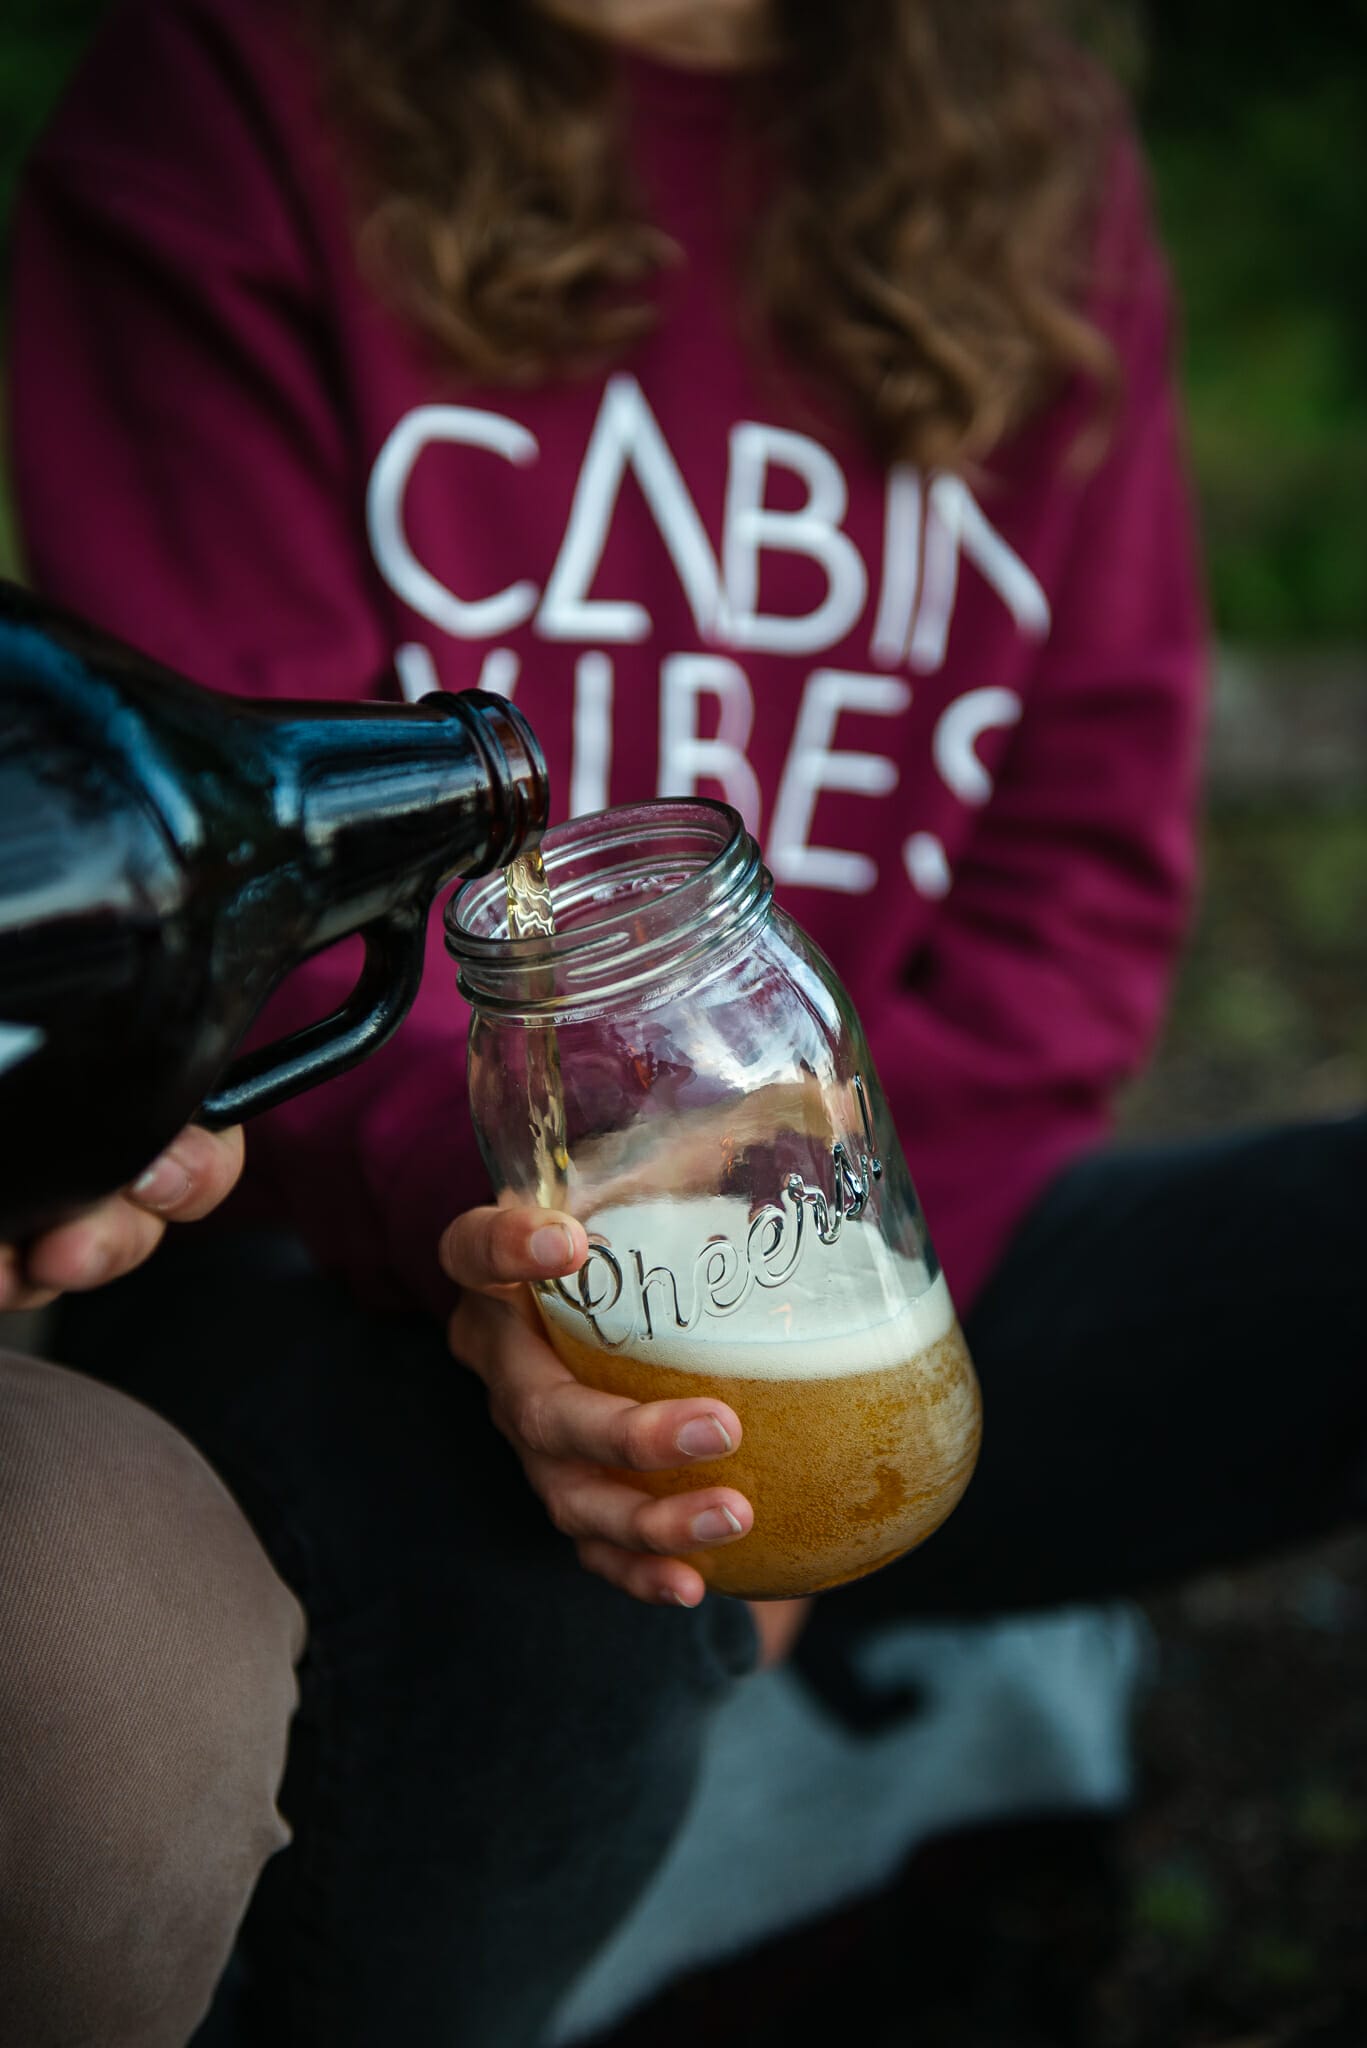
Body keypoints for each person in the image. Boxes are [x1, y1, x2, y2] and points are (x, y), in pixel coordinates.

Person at [6, 0, 1365, 2042]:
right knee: (564, 1641)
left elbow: (1081, 854)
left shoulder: (1039, 148)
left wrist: (850, 1293)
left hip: (896, 1231)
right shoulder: (235, 85)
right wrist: (576, 1268)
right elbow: (214, 863)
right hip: (364, 1254)